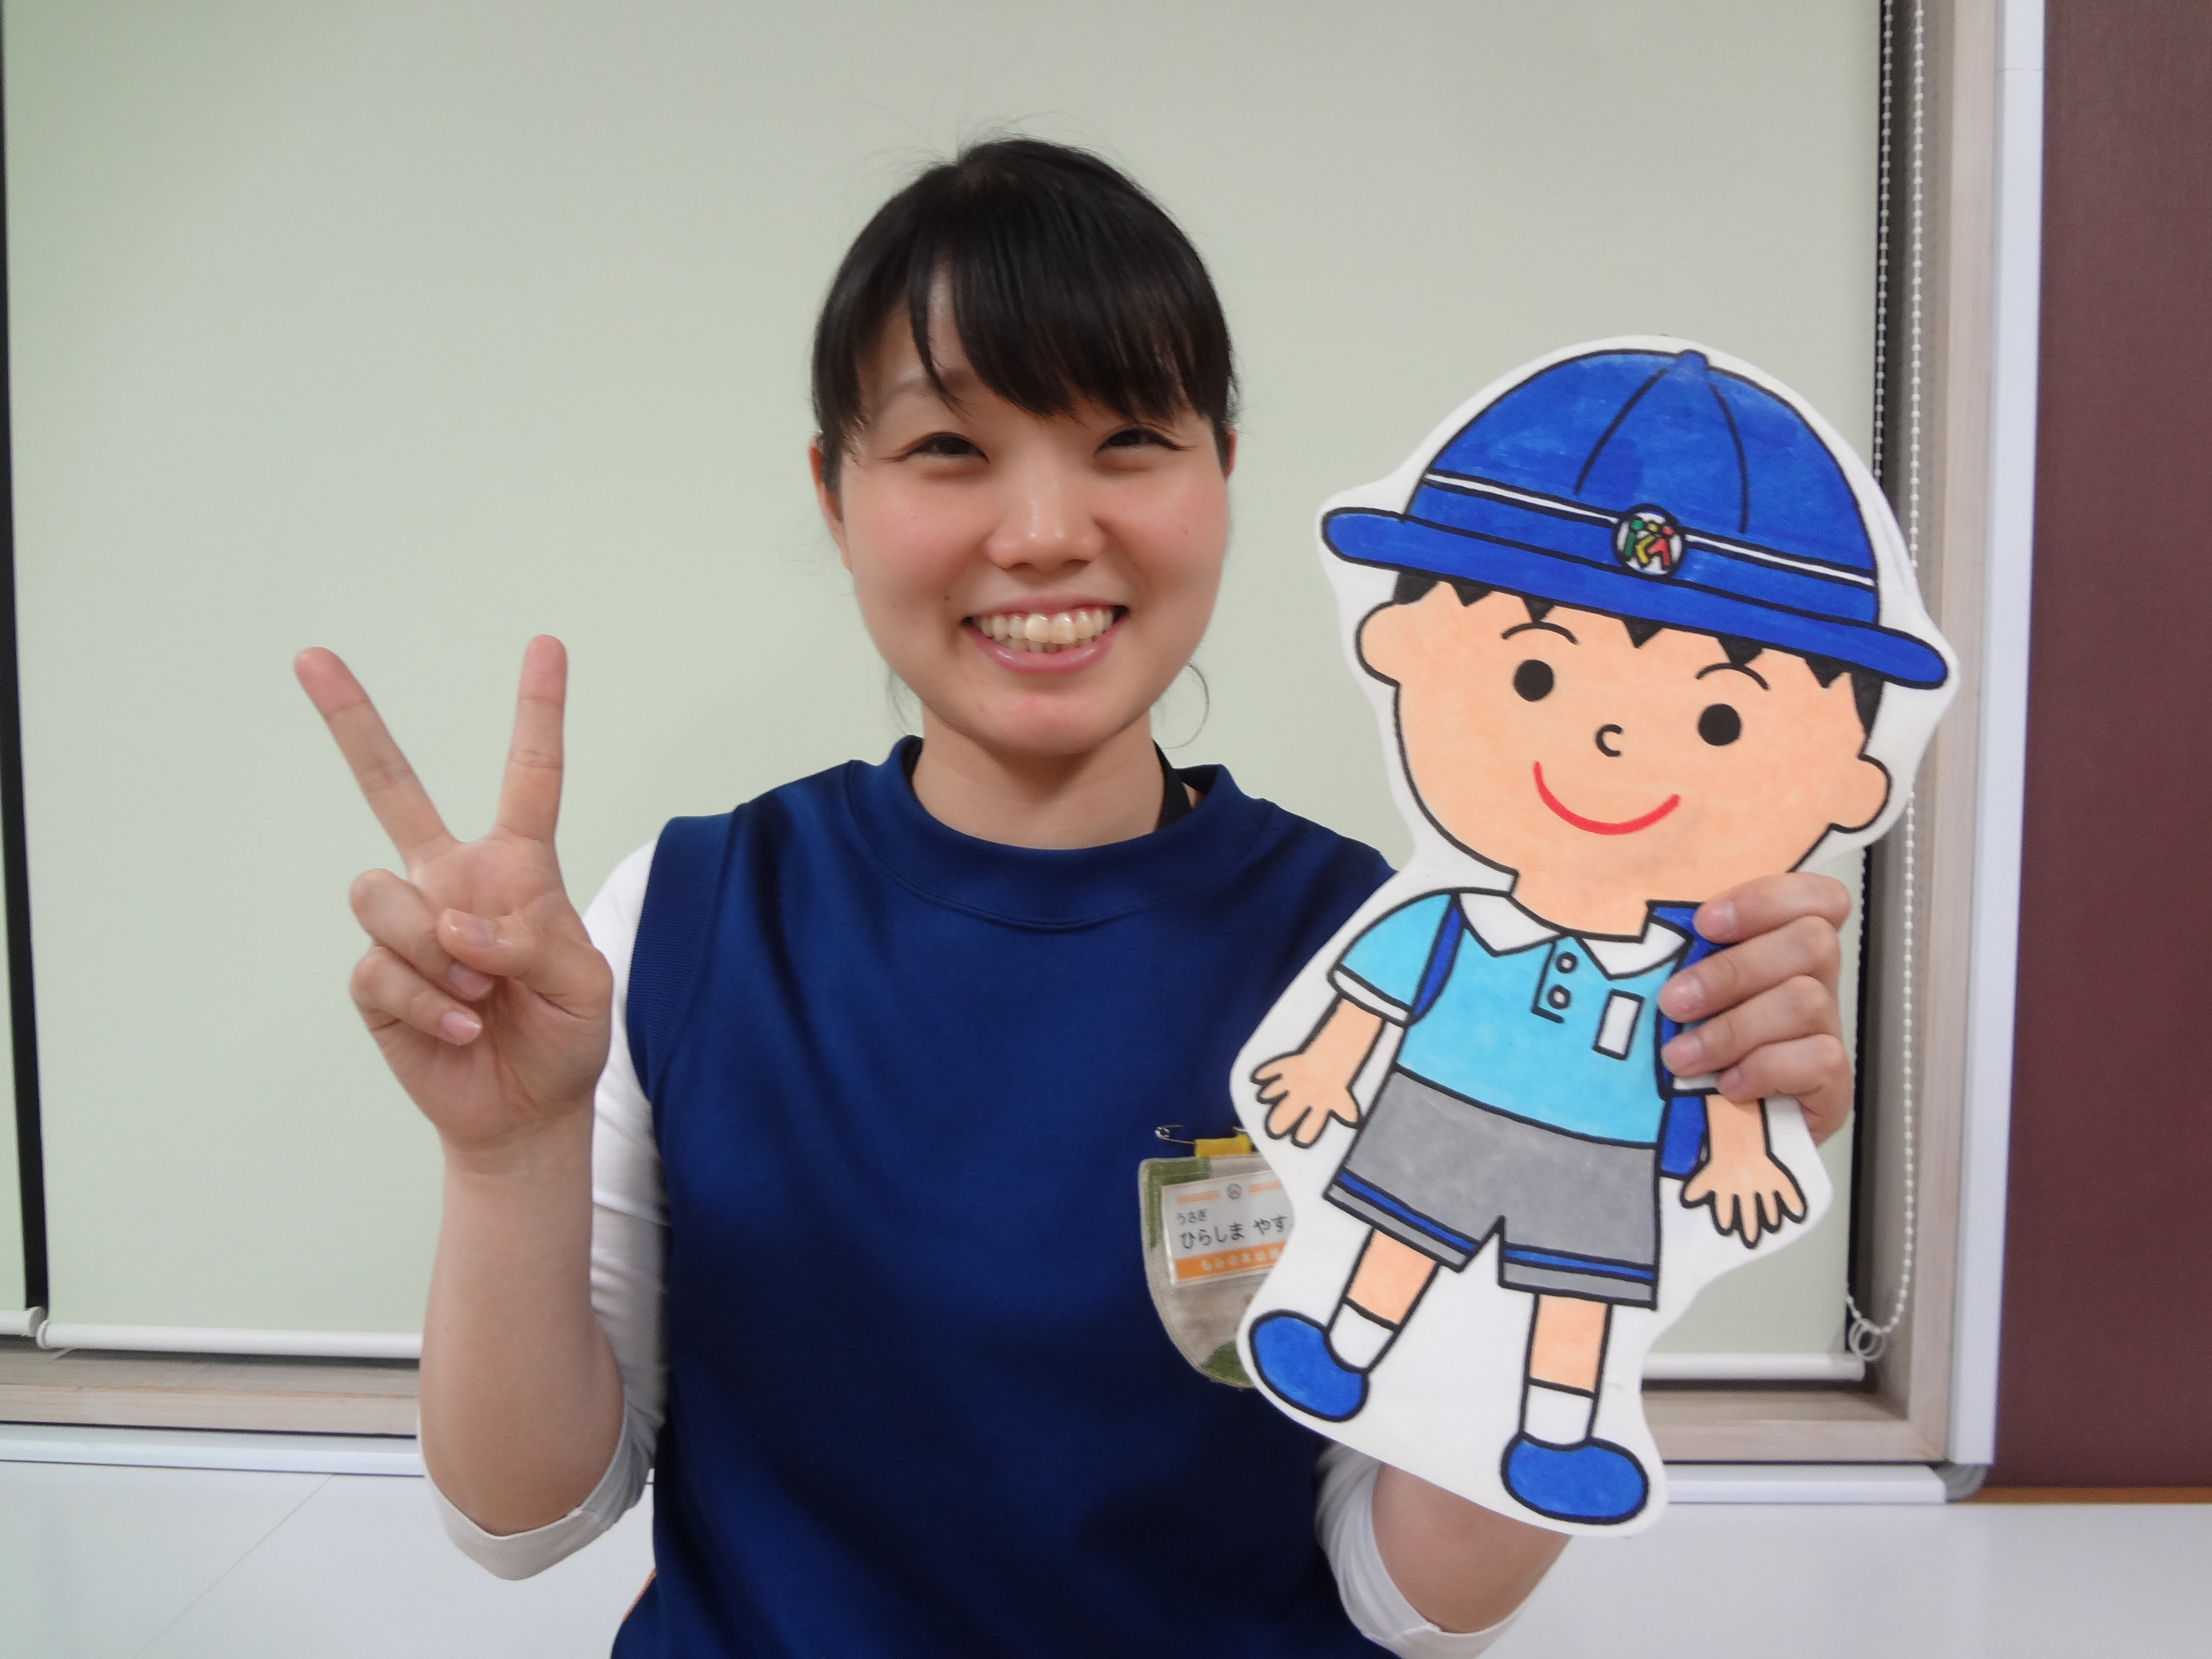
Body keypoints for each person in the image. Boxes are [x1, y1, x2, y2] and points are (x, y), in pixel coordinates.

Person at [296, 141, 1860, 1656]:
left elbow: (1411, 1600)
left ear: (1222, 470)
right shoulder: (692, 916)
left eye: (1126, 438)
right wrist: (505, 1158)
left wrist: (1642, 1206)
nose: (1045, 532)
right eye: (948, 448)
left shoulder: (1375, 948)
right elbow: (525, 1515)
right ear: (834, 493)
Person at [1246, 346, 1948, 1529]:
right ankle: (1345, 1345)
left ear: (1851, 782)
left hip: (1603, 1158)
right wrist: (1325, 1066)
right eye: (1535, 677)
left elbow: (1707, 1061)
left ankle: (1560, 1433)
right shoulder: (1422, 915)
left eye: (1719, 719)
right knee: (1398, 1240)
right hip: (1440, 1114)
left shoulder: (1701, 973)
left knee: (1580, 1300)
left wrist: (1750, 1139)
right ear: (1398, 648)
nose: (1616, 742)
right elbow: (1376, 995)